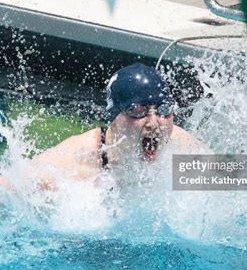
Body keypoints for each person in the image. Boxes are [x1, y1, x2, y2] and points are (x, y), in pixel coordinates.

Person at [27, 63, 210, 189]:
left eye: (163, 109)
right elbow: (3, 193)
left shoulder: (182, 148)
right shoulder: (72, 163)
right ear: (114, 117)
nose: (154, 124)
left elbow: (234, 180)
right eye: (138, 111)